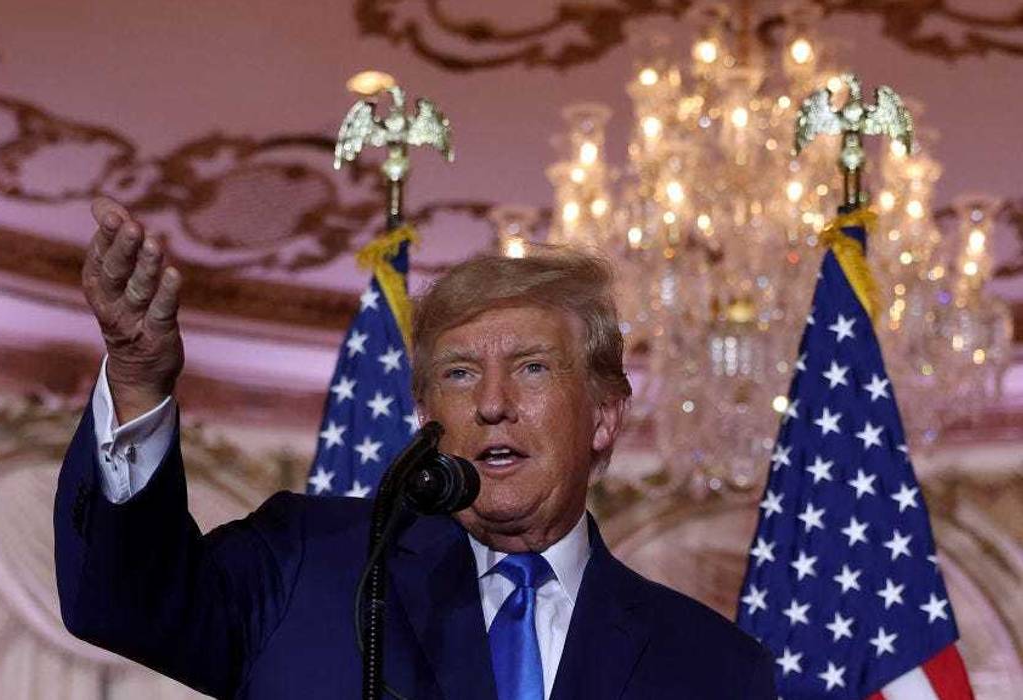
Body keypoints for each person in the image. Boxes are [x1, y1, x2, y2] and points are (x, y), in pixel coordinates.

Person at [55, 197, 776, 699]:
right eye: (459, 374)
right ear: (426, 414)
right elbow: (124, 603)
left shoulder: (713, 667)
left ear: (603, 417)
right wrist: (138, 378)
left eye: (531, 368)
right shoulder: (306, 564)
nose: (490, 403)